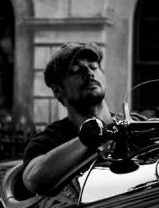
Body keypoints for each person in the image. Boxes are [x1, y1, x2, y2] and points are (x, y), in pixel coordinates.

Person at [15, 42, 112, 198]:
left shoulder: (133, 123)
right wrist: (88, 138)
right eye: (76, 70)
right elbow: (33, 180)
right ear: (58, 90)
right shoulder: (49, 140)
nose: (89, 73)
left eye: (93, 67)